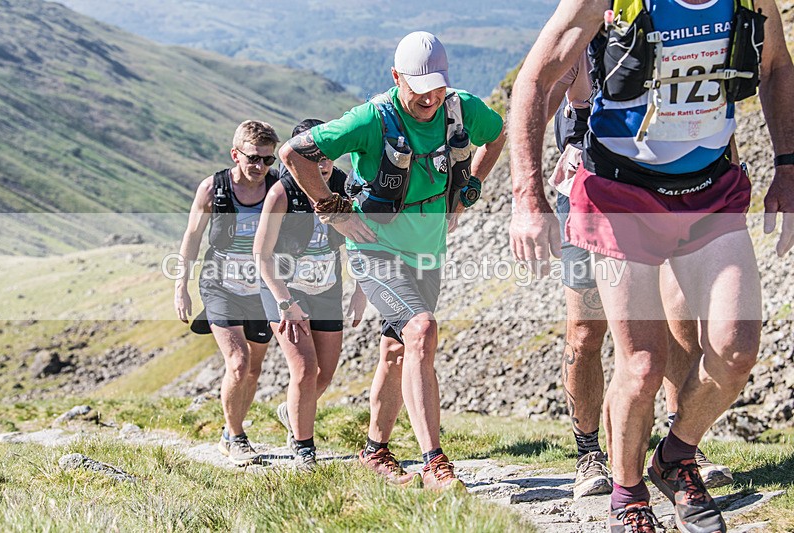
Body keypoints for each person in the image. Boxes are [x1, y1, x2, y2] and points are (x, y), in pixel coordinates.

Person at [509, 0, 794, 530]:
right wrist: (527, 197)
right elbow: (534, 79)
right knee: (641, 364)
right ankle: (628, 495)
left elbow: (776, 65)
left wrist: (788, 165)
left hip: (711, 188)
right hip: (620, 194)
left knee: (735, 349)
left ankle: (676, 456)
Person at [278, 31, 506, 490]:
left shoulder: (463, 109)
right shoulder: (371, 119)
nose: (430, 99)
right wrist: (333, 209)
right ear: (395, 77)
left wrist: (471, 187)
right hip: (374, 247)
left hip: (427, 247)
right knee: (421, 330)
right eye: (419, 88)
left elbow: (497, 135)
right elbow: (295, 153)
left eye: (438, 87)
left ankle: (374, 451)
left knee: (398, 349)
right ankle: (435, 463)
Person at [545, 52, 733, 500]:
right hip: (587, 195)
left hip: (664, 190)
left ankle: (680, 449)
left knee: (678, 320)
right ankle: (589, 453)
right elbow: (536, 102)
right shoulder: (583, 37)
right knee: (587, 332)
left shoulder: (666, 29)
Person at [254, 119, 367, 472]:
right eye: (312, 158)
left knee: (326, 373)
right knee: (305, 369)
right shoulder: (281, 192)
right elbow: (261, 254)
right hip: (284, 288)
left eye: (327, 157)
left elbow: (362, 241)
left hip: (327, 288)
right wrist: (285, 302)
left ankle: (293, 411)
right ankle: (303, 447)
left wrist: (360, 292)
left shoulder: (343, 187)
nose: (321, 164)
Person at [174, 120, 280, 466]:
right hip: (220, 285)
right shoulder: (213, 188)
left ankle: (230, 428)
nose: (261, 167)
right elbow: (192, 236)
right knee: (238, 362)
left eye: (268, 160)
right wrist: (181, 287)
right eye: (254, 158)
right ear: (236, 154)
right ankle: (235, 437)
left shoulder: (277, 188)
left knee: (254, 368)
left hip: (261, 288)